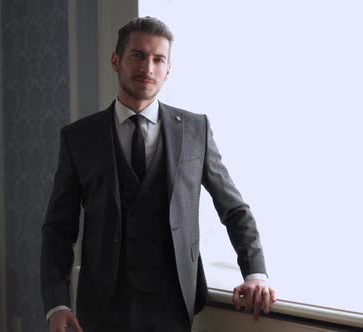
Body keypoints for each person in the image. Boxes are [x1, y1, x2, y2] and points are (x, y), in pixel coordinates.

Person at [40, 16, 276, 332]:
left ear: (168, 69)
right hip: (102, 307)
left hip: (174, 304)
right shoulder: (80, 137)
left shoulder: (196, 129)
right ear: (116, 60)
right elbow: (59, 229)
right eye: (137, 55)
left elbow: (234, 209)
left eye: (158, 59)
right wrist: (57, 303)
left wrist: (255, 273)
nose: (148, 68)